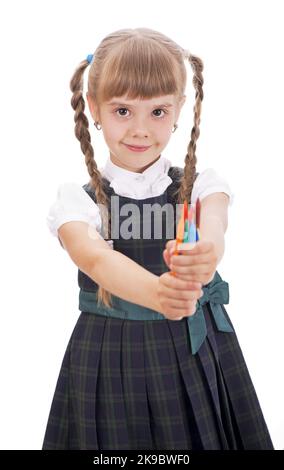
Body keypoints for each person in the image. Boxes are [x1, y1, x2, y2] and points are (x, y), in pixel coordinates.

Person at [42, 27, 274, 450]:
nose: (141, 130)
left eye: (158, 112)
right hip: (110, 355)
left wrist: (204, 257)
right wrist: (158, 293)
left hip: (192, 347)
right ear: (93, 107)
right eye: (123, 111)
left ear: (180, 108)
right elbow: (94, 259)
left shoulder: (201, 186)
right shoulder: (77, 203)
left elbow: (214, 226)